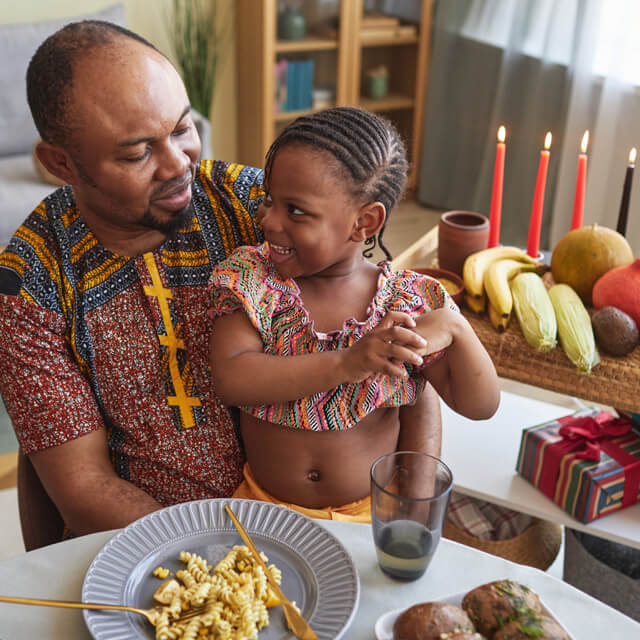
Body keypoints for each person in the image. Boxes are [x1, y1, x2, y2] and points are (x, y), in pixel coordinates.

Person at [208, 107, 500, 522]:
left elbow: (480, 405)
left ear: (364, 222)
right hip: (263, 512)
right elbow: (232, 379)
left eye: (295, 210)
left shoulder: (407, 302)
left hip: (371, 516)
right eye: (270, 200)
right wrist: (348, 363)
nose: (269, 220)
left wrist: (455, 326)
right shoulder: (252, 280)